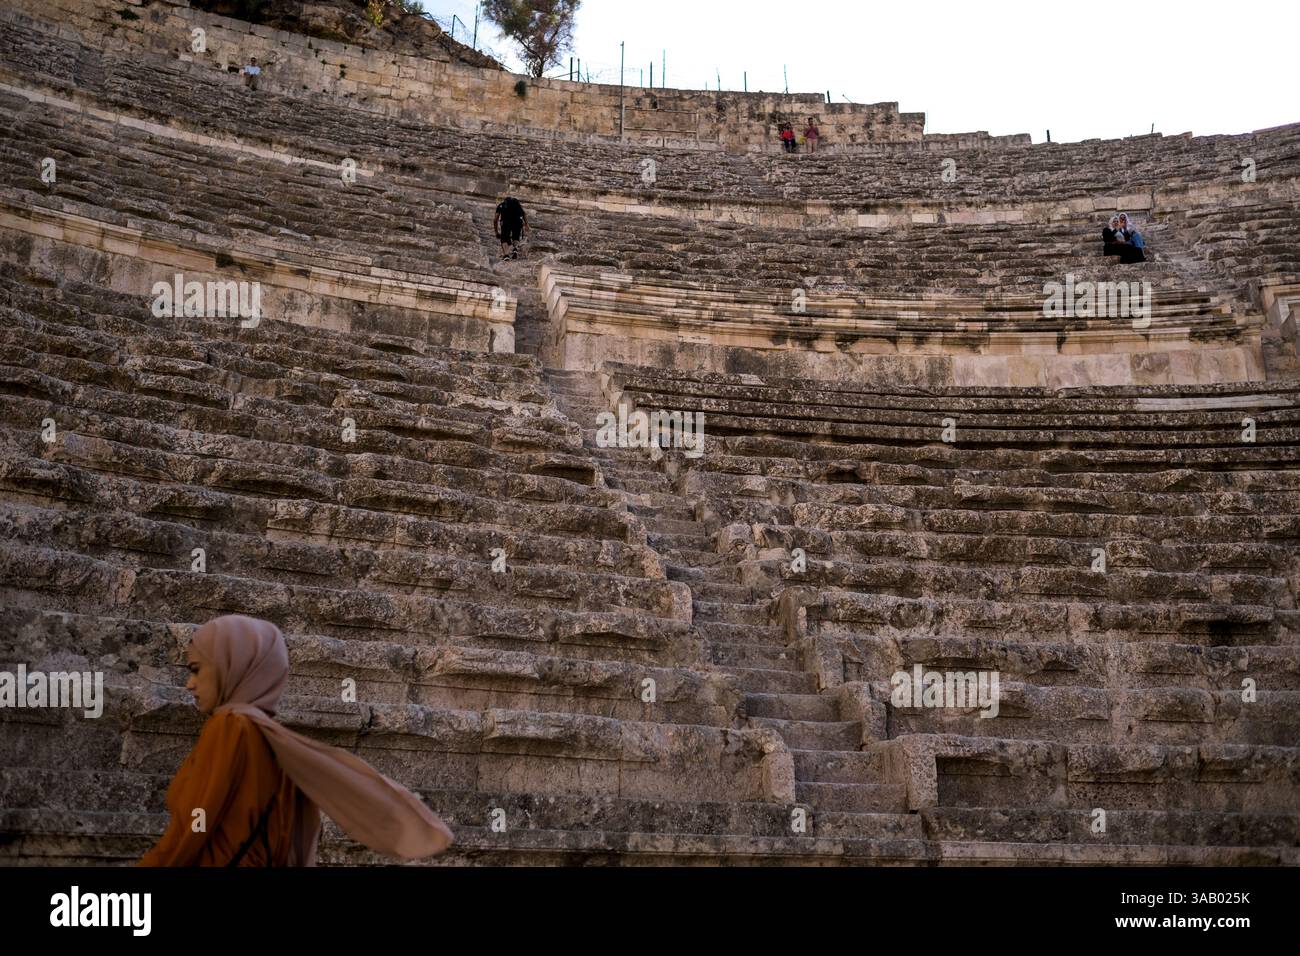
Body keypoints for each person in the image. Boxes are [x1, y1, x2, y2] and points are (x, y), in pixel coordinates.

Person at [139, 615, 454, 866]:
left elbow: (197, 823)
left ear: (232, 667)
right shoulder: (275, 741)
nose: (189, 684)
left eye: (196, 669)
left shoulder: (231, 726)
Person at [494, 195, 527, 259]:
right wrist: (526, 224)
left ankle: (506, 255)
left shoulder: (501, 205)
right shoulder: (517, 205)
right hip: (517, 222)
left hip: (506, 223)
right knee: (516, 236)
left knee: (504, 238)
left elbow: (495, 219)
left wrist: (496, 231)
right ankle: (515, 249)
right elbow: (523, 213)